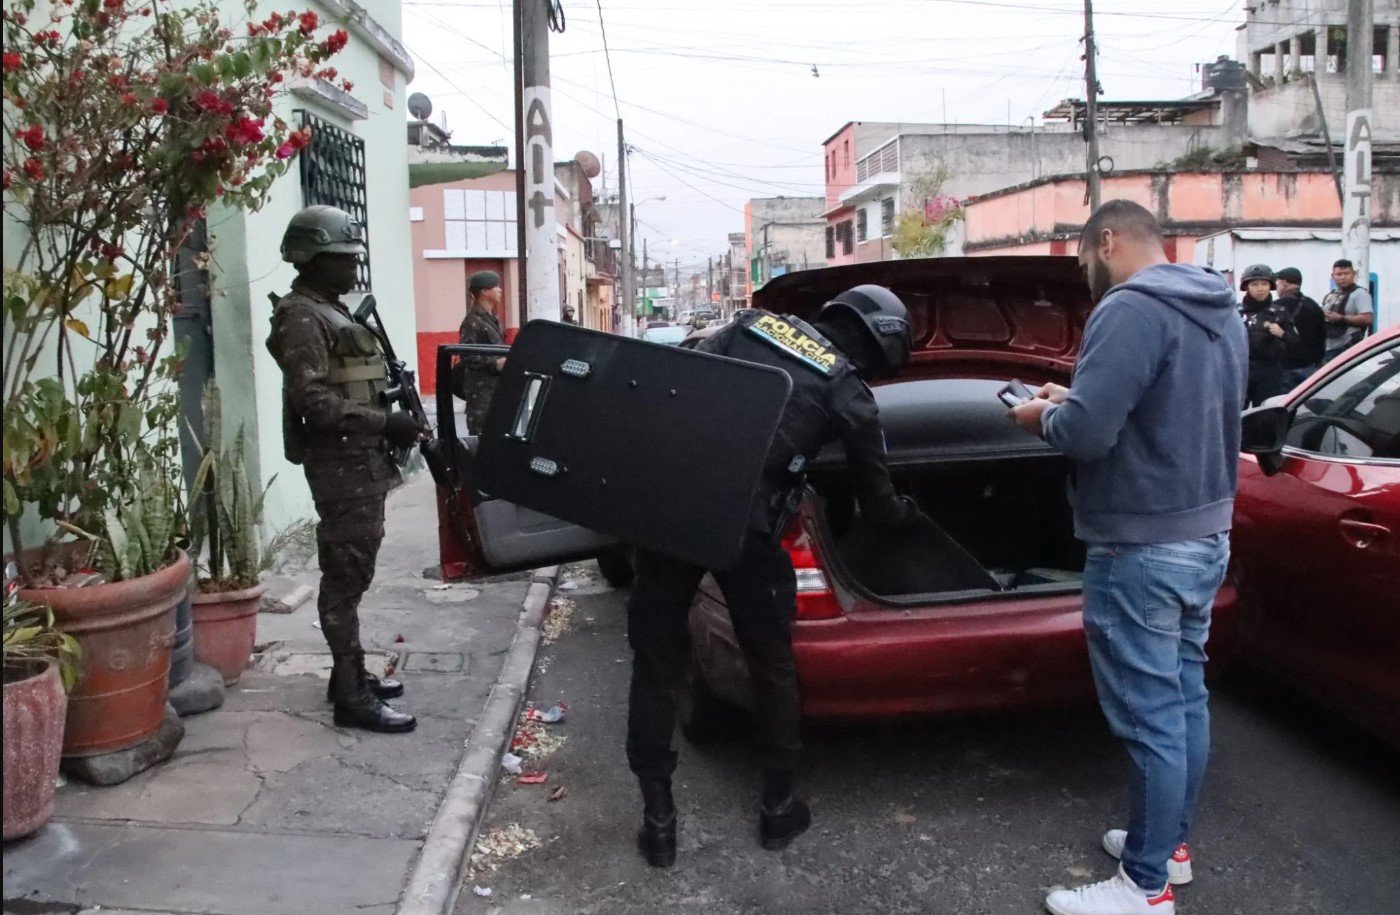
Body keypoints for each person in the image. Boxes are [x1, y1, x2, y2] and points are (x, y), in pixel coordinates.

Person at [627, 286, 925, 868]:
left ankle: (658, 823)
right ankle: (778, 810)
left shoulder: (753, 325)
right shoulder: (847, 389)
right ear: (880, 344)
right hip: (751, 530)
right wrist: (912, 518)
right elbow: (880, 504)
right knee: (771, 663)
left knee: (656, 665)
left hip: (671, 514)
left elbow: (677, 387)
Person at [1010, 200, 1246, 915]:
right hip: (1205, 534)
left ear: (1107, 239)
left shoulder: (1128, 308)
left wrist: (1040, 414)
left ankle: (1142, 889)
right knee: (1182, 699)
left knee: (1149, 718)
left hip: (1141, 544)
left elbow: (1085, 437)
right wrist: (1075, 396)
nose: (1087, 273)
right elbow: (1166, 408)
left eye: (1085, 257)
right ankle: (1168, 847)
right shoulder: (1219, 306)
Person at [266, 205, 422, 734]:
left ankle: (347, 676)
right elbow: (312, 399)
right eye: (341, 257)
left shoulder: (329, 308)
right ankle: (352, 697)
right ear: (310, 259)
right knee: (344, 578)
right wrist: (385, 422)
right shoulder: (301, 316)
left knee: (355, 573)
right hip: (341, 468)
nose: (353, 265)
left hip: (362, 462)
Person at [451, 271, 507, 433]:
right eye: (495, 287)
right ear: (484, 291)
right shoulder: (472, 321)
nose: (499, 290)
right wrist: (494, 363)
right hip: (480, 393)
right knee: (481, 438)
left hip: (495, 389)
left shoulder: (492, 319)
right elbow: (467, 355)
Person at [1236, 264, 1298, 406]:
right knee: (1236, 418)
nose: (1260, 289)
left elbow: (1296, 344)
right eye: (1254, 284)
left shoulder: (1280, 312)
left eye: (1264, 284)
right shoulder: (1235, 312)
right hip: (1241, 374)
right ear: (1246, 287)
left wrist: (1282, 334)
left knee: (1265, 418)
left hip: (1269, 375)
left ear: (1270, 286)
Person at [1273, 266, 1326, 389]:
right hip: (1309, 368)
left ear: (1284, 283)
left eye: (1277, 282)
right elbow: (1322, 337)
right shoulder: (1313, 305)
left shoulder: (1276, 307)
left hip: (1286, 367)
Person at [1321, 258, 1374, 362]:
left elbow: (1368, 319)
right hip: (1329, 347)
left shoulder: (1359, 294)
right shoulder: (1330, 296)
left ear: (1354, 274)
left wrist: (1341, 318)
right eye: (1339, 274)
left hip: (1348, 347)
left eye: (1346, 273)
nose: (1343, 277)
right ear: (1333, 276)